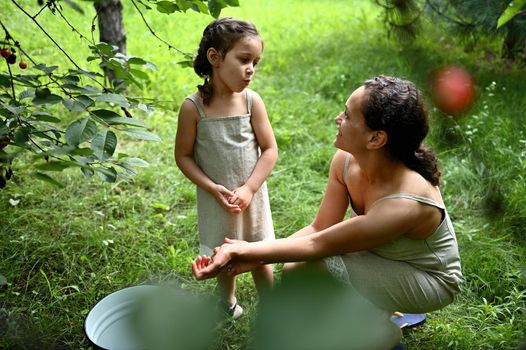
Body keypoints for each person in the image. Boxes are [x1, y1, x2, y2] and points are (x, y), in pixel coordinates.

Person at [192, 75, 462, 345]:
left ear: (376, 138)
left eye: (347, 115)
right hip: (382, 254)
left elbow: (319, 245)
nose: (337, 118)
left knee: (314, 269)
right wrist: (252, 257)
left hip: (428, 278)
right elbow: (319, 228)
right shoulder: (347, 160)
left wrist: (242, 250)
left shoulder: (404, 203)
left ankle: (387, 337)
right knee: (297, 269)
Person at [175, 17, 278, 318]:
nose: (251, 70)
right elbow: (183, 156)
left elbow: (270, 150)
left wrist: (249, 188)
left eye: (256, 62)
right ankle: (229, 303)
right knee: (224, 253)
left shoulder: (251, 102)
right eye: (244, 59)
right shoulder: (193, 108)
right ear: (215, 58)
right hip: (217, 199)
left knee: (260, 252)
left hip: (251, 195)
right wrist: (211, 188)